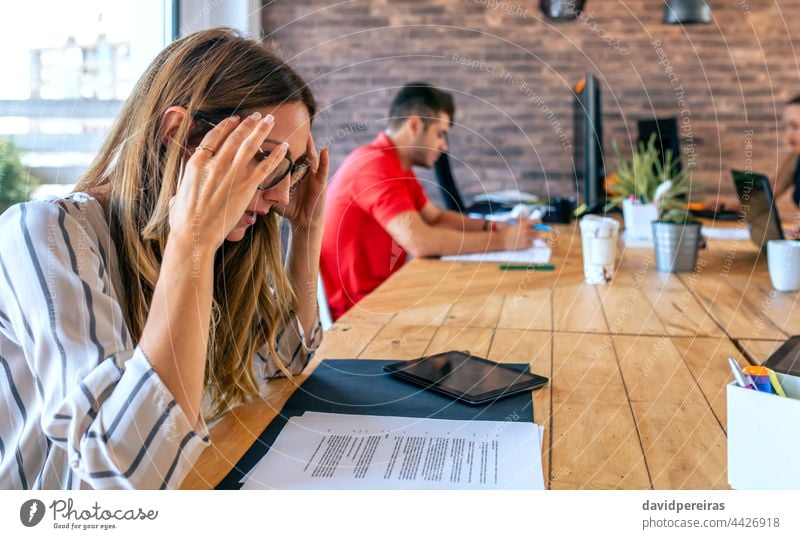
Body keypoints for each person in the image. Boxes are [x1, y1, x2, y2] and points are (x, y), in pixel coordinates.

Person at [0, 28, 328, 489]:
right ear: (177, 135)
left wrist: (307, 226)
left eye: (290, 170)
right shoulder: (44, 235)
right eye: (264, 161)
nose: (278, 195)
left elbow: (285, 359)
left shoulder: (226, 244)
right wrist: (191, 243)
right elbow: (128, 473)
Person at [320, 83, 538, 320]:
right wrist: (503, 241)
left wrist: (494, 226)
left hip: (385, 294)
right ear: (414, 125)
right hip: (359, 313)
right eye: (440, 134)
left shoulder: (395, 165)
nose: (444, 146)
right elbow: (421, 242)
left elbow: (435, 217)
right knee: (485, 307)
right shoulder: (373, 165)